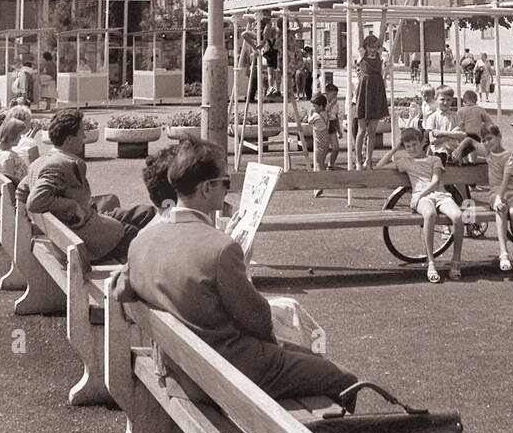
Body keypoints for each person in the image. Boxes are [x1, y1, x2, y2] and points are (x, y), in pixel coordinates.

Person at [110, 139, 358, 400]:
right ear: (207, 188)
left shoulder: (142, 241)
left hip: (179, 369)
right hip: (227, 374)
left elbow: (121, 285)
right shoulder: (221, 249)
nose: (228, 189)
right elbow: (258, 319)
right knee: (346, 380)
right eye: (225, 182)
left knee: (307, 355)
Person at [16, 108, 156, 262]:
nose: (83, 136)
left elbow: (21, 191)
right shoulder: (57, 165)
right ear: (69, 139)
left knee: (147, 212)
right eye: (81, 132)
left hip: (82, 223)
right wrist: (72, 206)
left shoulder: (40, 162)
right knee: (145, 237)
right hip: (88, 238)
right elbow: (35, 201)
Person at [378, 128, 464, 283]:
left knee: (458, 216)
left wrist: (419, 196)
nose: (411, 149)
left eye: (414, 144)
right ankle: (431, 262)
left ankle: (456, 260)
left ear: (423, 142)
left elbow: (435, 181)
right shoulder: (405, 162)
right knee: (430, 214)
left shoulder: (434, 160)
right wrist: (396, 148)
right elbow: (378, 167)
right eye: (408, 146)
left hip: (438, 195)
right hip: (423, 199)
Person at [484, 124, 513, 275]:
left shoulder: (508, 157)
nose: (487, 143)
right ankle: (503, 252)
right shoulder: (487, 154)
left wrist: (499, 197)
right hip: (495, 194)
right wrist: (461, 147)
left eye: (490, 138)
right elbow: (470, 141)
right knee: (501, 209)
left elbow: (505, 181)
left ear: (499, 137)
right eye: (484, 140)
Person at [354, 33, 388, 170]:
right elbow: (361, 31)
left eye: (375, 47)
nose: (372, 49)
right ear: (366, 47)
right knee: (362, 130)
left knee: (372, 131)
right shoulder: (362, 55)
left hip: (376, 90)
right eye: (370, 47)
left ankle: (368, 160)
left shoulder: (380, 55)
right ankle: (358, 160)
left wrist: (384, 14)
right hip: (365, 90)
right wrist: (360, 15)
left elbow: (381, 32)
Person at [0, 116, 30, 184]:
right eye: (19, 135)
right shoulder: (8, 157)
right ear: (12, 135)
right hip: (19, 191)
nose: (21, 138)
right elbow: (9, 185)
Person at [305, 92, 330, 197]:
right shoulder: (325, 114)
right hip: (325, 141)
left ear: (320, 106)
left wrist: (309, 113)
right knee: (321, 162)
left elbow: (309, 121)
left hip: (319, 142)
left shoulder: (315, 115)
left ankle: (320, 184)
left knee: (318, 163)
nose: (313, 107)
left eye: (314, 106)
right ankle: (321, 181)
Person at [323, 80, 341, 171]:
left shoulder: (336, 104)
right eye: (333, 94)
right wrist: (331, 104)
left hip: (332, 125)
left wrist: (339, 130)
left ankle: (331, 164)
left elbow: (336, 116)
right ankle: (321, 164)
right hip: (325, 125)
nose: (335, 97)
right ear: (327, 93)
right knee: (324, 148)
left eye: (336, 95)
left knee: (336, 148)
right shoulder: (323, 101)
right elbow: (325, 112)